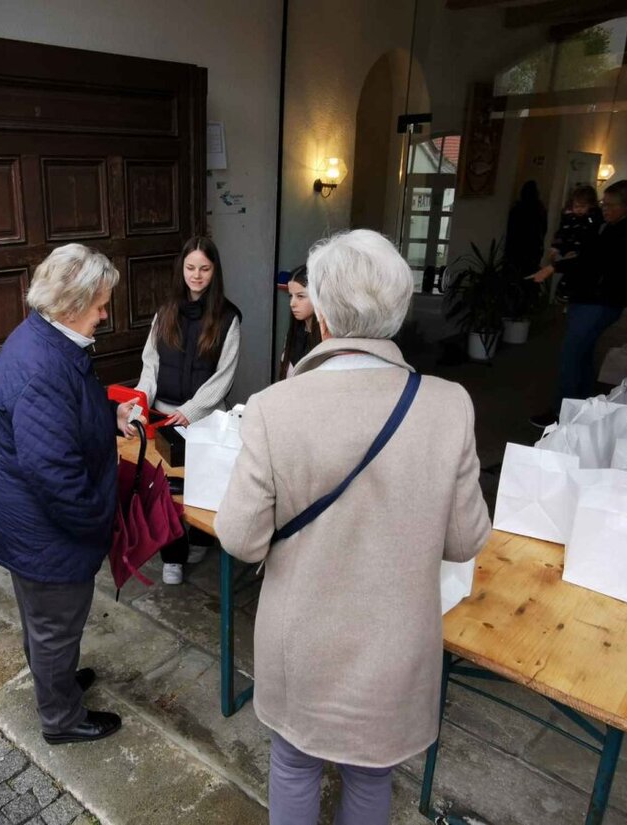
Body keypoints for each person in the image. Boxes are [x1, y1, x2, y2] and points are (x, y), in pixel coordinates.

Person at [215, 229, 490, 825]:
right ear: (397, 308)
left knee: (293, 763)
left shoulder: (273, 406)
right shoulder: (449, 404)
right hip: (397, 641)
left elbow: (240, 538)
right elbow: (466, 540)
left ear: (325, 314)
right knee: (373, 774)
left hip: (301, 639)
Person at [0, 243, 141, 745]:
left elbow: (67, 418)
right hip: (43, 529)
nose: (105, 315)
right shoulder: (44, 365)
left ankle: (55, 681)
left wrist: (111, 417)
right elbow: (56, 475)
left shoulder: (47, 338)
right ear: (71, 302)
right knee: (53, 626)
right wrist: (98, 522)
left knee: (44, 622)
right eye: (101, 304)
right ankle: (61, 718)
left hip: (29, 521)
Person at [135, 236, 241, 583]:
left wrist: (193, 410)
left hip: (205, 417)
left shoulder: (228, 317)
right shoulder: (165, 312)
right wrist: (141, 400)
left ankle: (200, 538)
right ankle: (173, 555)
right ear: (181, 269)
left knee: (203, 484)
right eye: (190, 268)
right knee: (164, 488)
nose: (196, 275)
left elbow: (223, 376)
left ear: (215, 272)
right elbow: (149, 365)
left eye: (204, 269)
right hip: (164, 414)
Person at [528, 180, 627, 428]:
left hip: (598, 301)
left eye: (610, 205)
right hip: (595, 298)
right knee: (582, 354)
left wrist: (554, 267)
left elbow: (594, 261)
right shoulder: (616, 225)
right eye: (602, 204)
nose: (604, 209)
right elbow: (591, 254)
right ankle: (583, 405)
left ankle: (561, 413)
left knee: (570, 356)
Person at [548, 185, 602, 304]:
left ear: (591, 206)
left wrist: (589, 215)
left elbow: (592, 231)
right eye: (576, 206)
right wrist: (555, 248)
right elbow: (561, 233)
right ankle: (561, 299)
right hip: (568, 253)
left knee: (574, 279)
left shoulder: (593, 219)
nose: (579, 210)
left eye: (583, 206)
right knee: (566, 279)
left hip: (583, 255)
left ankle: (569, 299)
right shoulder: (569, 218)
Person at [278, 265, 322, 380]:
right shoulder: (294, 333)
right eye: (290, 296)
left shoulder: (328, 337)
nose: (292, 303)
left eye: (300, 296)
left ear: (318, 296)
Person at [504, 179, 547, 278]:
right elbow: (544, 229)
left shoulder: (517, 209)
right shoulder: (540, 209)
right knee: (530, 275)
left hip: (517, 247)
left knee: (514, 275)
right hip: (534, 247)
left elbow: (511, 231)